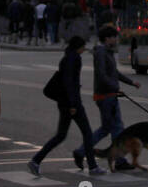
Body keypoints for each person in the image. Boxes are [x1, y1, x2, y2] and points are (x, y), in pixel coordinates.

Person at [29, 35, 103, 176]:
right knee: (87, 133)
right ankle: (93, 166)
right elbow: (70, 83)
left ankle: (36, 160)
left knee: (61, 135)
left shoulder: (68, 57)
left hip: (65, 102)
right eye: (82, 47)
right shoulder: (73, 59)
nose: (83, 50)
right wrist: (73, 104)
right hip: (72, 103)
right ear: (78, 47)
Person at [74, 26, 140, 171]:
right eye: (114, 37)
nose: (116, 39)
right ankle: (117, 159)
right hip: (105, 96)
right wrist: (115, 88)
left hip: (108, 95)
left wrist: (131, 82)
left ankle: (84, 152)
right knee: (114, 128)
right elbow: (102, 75)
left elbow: (114, 72)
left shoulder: (107, 53)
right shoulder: (101, 53)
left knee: (111, 128)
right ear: (107, 38)